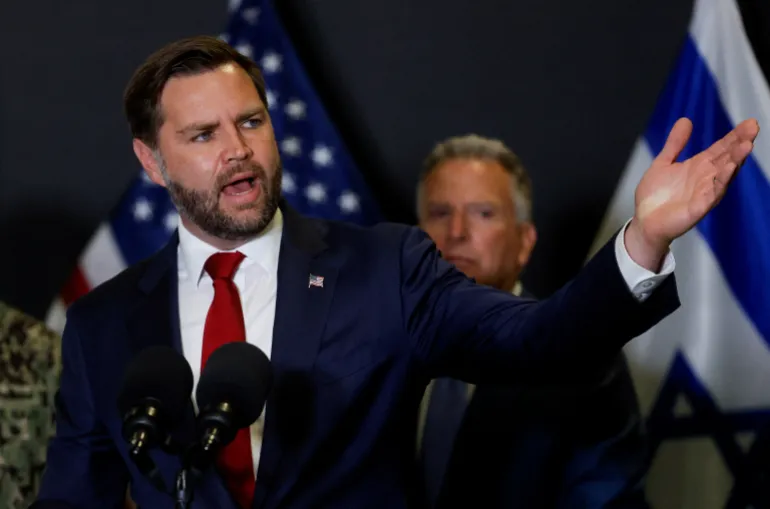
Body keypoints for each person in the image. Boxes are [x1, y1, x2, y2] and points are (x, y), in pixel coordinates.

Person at [33, 35, 757, 509]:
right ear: (151, 162)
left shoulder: (386, 267)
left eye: (251, 122)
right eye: (202, 134)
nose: (238, 150)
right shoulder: (104, 324)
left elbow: (546, 341)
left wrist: (644, 238)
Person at [415, 134, 651, 508]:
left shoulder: (584, 362)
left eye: (483, 213)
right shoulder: (373, 342)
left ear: (525, 242)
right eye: (440, 213)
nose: (457, 232)